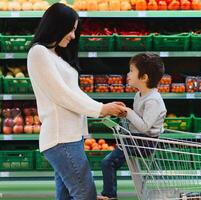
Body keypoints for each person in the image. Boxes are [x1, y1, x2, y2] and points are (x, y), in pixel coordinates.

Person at [27, 3, 126, 200]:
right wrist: (101, 109)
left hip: (71, 137)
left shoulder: (56, 55)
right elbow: (62, 94)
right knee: (85, 194)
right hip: (61, 138)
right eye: (71, 29)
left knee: (67, 196)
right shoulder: (38, 53)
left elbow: (75, 92)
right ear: (57, 26)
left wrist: (105, 107)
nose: (73, 35)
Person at [98, 53, 167, 200]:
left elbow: (144, 127)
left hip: (144, 143)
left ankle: (109, 196)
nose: (128, 74)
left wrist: (129, 112)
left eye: (131, 71)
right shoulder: (140, 95)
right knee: (109, 162)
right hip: (135, 140)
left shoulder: (153, 100)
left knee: (107, 162)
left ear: (144, 78)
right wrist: (125, 113)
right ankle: (109, 194)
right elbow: (138, 120)